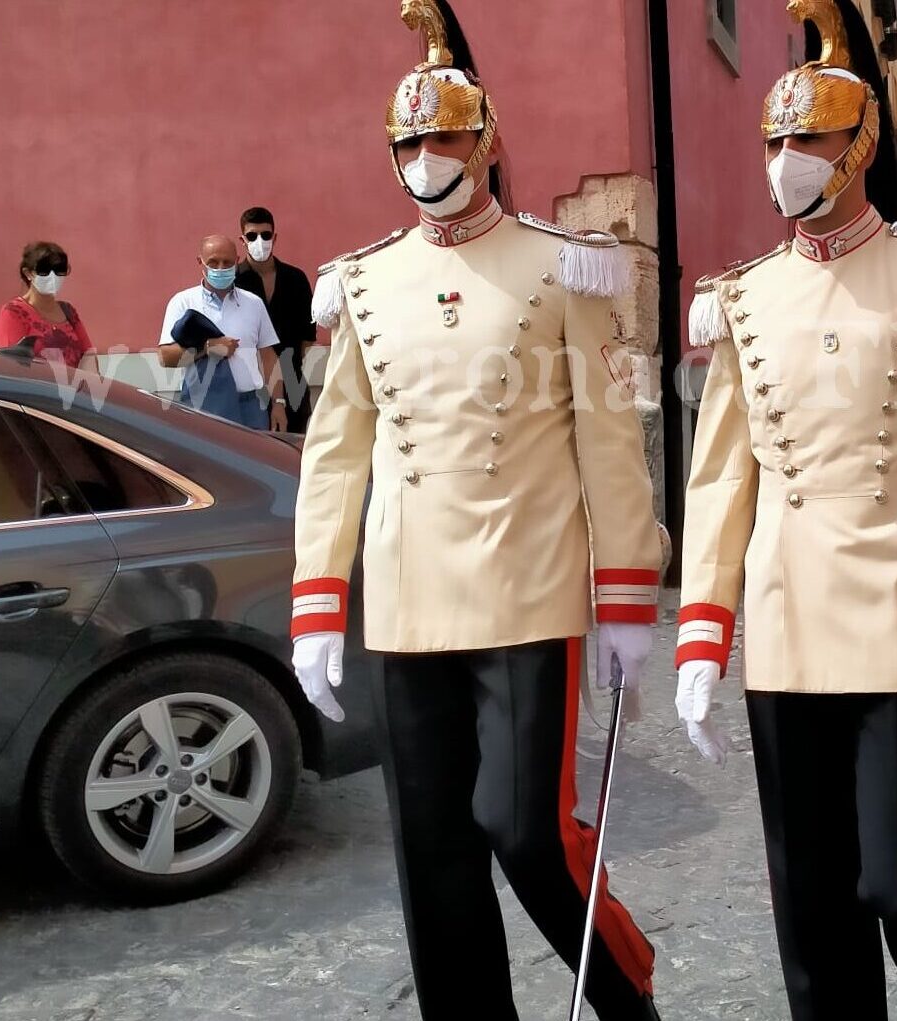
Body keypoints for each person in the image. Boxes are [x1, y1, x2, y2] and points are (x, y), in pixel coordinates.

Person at [288, 4, 661, 1019]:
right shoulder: (361, 283)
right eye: (407, 139)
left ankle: (625, 995)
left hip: (526, 592)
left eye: (443, 134)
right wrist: (318, 604)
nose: (424, 155)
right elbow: (335, 453)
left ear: (487, 139)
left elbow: (607, 444)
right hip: (407, 602)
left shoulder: (560, 266)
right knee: (432, 848)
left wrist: (627, 591)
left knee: (523, 828)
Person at [675, 2, 897, 1016]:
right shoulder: (743, 298)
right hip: (788, 632)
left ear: (860, 145)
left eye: (810, 138)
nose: (787, 159)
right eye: (774, 141)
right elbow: (719, 480)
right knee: (811, 909)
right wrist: (702, 635)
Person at [158, 234, 284, 430]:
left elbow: (269, 357)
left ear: (237, 262)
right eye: (213, 262)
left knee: (252, 459)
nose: (220, 268)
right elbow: (166, 357)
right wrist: (207, 348)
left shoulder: (253, 303)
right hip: (203, 407)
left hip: (251, 407)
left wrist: (279, 404)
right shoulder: (183, 303)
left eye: (227, 263)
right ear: (200, 262)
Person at [235, 206, 316, 433]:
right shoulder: (234, 281)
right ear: (243, 240)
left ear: (274, 237)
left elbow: (308, 337)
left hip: (293, 382)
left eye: (265, 235)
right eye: (252, 236)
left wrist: (286, 364)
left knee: (292, 455)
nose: (259, 240)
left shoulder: (295, 279)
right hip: (249, 386)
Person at [0, 241, 97, 372]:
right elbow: (13, 365)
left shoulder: (68, 311)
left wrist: (86, 384)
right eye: (44, 271)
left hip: (73, 389)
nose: (52, 277)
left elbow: (88, 354)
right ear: (28, 273)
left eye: (59, 271)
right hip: (38, 389)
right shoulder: (14, 313)